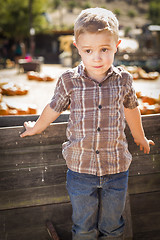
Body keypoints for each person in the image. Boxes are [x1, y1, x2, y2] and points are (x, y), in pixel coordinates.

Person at [20, 8, 155, 240]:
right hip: (80, 169)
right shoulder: (69, 81)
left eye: (104, 49)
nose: (97, 57)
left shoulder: (124, 80)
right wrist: (37, 127)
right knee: (83, 227)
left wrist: (139, 137)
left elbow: (132, 108)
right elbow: (54, 107)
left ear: (116, 45)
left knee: (112, 226)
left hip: (116, 168)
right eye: (88, 50)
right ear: (77, 48)